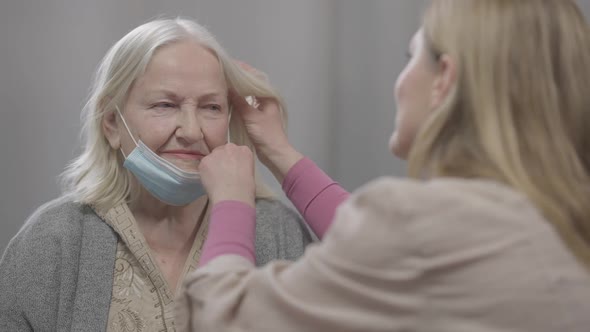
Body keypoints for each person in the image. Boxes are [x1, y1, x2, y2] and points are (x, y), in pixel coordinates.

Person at [176, 0, 590, 331]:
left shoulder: (416, 225)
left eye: (410, 55)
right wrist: (280, 153)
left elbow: (222, 317)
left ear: (444, 79)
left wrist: (232, 200)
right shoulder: (556, 221)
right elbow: (392, 257)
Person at [0, 18, 313, 331]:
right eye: (165, 104)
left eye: (211, 107)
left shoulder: (279, 233)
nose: (191, 131)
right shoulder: (53, 239)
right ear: (111, 123)